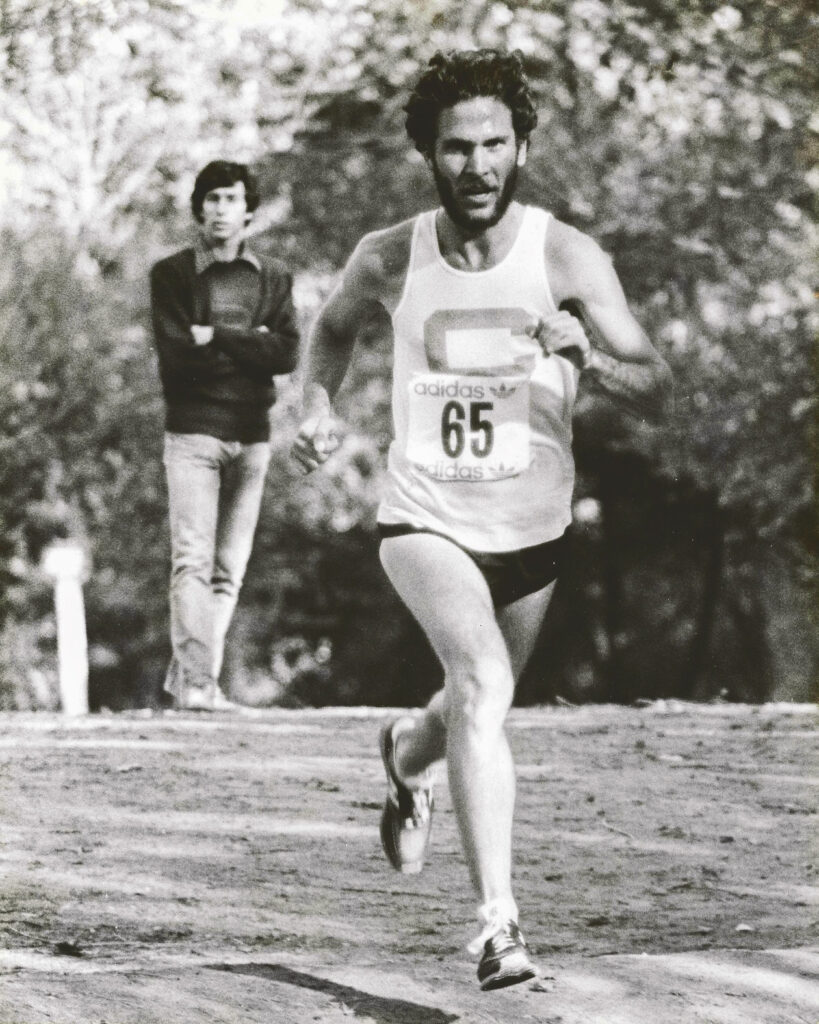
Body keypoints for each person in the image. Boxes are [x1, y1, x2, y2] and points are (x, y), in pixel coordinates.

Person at [292, 49, 672, 990]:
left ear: (521, 146)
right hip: (425, 517)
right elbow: (332, 330)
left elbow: (656, 390)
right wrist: (312, 407)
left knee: (471, 706)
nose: (476, 164)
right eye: (456, 147)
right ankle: (498, 929)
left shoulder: (566, 255)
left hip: (532, 530)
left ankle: (404, 754)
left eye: (494, 144)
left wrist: (589, 355)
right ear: (429, 153)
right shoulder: (389, 255)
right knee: (481, 675)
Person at [150, 160, 299, 711]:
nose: (220, 209)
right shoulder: (171, 275)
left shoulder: (275, 278)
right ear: (198, 208)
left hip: (253, 436)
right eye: (210, 199)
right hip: (193, 434)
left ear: (249, 212)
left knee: (228, 571)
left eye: (231, 199)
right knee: (191, 560)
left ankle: (192, 679)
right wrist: (250, 345)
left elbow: (286, 353)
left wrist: (215, 335)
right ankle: (197, 686)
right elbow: (178, 361)